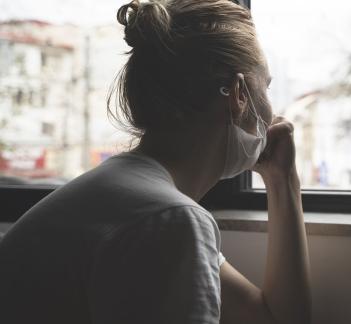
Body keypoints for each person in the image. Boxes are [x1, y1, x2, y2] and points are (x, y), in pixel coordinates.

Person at [0, 0, 312, 323]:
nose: (272, 112)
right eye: (267, 87)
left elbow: (272, 318)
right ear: (239, 95)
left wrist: (282, 180)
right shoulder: (170, 219)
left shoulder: (134, 196)